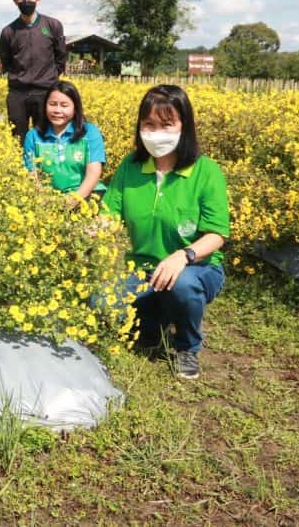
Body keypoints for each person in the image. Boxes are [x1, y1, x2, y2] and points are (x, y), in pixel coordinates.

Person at [101, 85, 230, 380]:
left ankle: (187, 346)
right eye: (149, 125)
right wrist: (87, 233)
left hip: (197, 268)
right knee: (101, 300)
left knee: (181, 285)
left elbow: (217, 234)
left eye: (167, 124)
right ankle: (154, 324)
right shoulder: (131, 166)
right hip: (142, 267)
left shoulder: (205, 171)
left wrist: (183, 256)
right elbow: (109, 214)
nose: (157, 133)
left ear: (184, 126)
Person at [0, 0, 67, 146]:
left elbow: (61, 57)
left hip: (45, 91)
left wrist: (48, 78)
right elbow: (5, 61)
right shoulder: (8, 31)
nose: (26, 1)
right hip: (18, 93)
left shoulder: (53, 25)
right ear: (15, 1)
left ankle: (44, 172)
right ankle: (21, 171)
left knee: (45, 138)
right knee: (17, 140)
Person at [22, 80, 106, 206]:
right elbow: (32, 175)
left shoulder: (90, 132)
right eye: (52, 104)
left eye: (64, 105)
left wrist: (72, 201)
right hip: (47, 201)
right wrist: (46, 202)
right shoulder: (33, 136)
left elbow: (93, 173)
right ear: (45, 106)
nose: (57, 110)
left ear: (75, 108)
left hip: (86, 198)